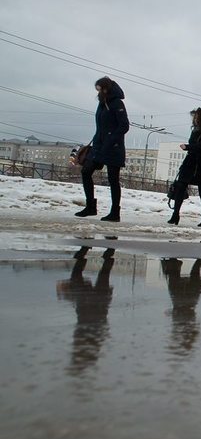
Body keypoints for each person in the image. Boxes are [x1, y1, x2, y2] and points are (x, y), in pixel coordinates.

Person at [75, 77, 130, 222]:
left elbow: (124, 126)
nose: (99, 92)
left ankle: (115, 213)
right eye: (97, 89)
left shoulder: (117, 103)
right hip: (99, 145)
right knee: (86, 171)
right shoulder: (101, 103)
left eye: (101, 89)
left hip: (114, 147)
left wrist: (111, 139)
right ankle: (91, 207)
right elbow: (101, 126)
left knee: (113, 179)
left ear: (107, 88)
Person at [55, 246, 115, 376]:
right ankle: (104, 250)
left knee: (101, 275)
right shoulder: (91, 337)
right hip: (92, 302)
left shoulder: (87, 338)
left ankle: (88, 252)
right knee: (93, 276)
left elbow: (98, 322)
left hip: (92, 302)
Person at [168, 107, 201, 227]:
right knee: (180, 186)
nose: (194, 119)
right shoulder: (195, 130)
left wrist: (188, 147)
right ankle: (175, 214)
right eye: (194, 117)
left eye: (196, 117)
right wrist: (189, 148)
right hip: (190, 162)